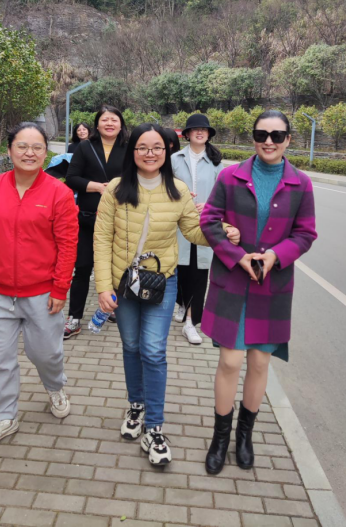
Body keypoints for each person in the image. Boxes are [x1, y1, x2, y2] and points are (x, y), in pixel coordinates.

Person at [93, 123, 240, 466]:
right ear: (132, 151)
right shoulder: (115, 189)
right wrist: (103, 286)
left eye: (157, 147)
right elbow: (101, 240)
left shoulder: (178, 190)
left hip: (162, 282)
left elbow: (193, 230)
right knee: (131, 346)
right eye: (143, 147)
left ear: (167, 151)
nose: (150, 153)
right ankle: (136, 406)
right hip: (122, 282)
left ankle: (155, 427)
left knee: (153, 350)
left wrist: (222, 232)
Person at [199, 109, 317, 475]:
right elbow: (208, 220)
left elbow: (305, 233)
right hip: (233, 282)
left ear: (288, 140)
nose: (269, 141)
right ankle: (220, 438)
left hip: (272, 285)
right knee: (230, 362)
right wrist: (237, 255)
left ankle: (244, 437)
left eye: (277, 135)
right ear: (253, 137)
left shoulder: (301, 184)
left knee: (260, 363)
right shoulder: (230, 176)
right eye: (262, 134)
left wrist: (274, 256)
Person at [0, 122, 79, 450]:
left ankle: (55, 386)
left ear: (46, 152)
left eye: (37, 147)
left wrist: (60, 288)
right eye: (22, 146)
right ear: (9, 151)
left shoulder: (59, 193)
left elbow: (68, 245)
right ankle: (4, 416)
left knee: (46, 354)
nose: (29, 153)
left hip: (42, 294)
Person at [64, 105, 129, 338]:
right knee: (82, 267)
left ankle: (111, 308)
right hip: (88, 218)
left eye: (114, 119)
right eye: (105, 120)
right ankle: (74, 317)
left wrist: (117, 187)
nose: (109, 123)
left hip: (120, 218)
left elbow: (138, 177)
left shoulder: (129, 147)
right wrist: (98, 187)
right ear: (97, 124)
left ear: (121, 124)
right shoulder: (85, 147)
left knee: (117, 268)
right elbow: (71, 178)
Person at [171, 114, 224, 345]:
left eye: (204, 129)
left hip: (205, 223)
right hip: (178, 223)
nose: (200, 132)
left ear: (209, 134)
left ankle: (191, 323)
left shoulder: (216, 162)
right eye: (195, 129)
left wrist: (210, 205)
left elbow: (222, 193)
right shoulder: (174, 159)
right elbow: (166, 187)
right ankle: (182, 303)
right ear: (187, 134)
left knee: (200, 272)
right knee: (181, 269)